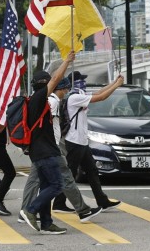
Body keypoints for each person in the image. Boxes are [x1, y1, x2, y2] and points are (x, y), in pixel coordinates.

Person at [29, 76, 102, 223]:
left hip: (43, 148)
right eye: (66, 88)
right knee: (61, 182)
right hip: (51, 148)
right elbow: (52, 127)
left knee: (40, 182)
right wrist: (67, 61)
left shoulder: (39, 101)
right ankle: (31, 210)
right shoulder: (52, 101)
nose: (67, 91)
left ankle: (44, 220)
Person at [18, 52, 75, 235]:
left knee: (45, 186)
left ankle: (47, 223)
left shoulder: (34, 101)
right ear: (44, 84)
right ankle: (30, 209)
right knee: (57, 185)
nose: (54, 83)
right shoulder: (39, 98)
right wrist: (66, 61)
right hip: (46, 152)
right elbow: (57, 77)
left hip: (39, 151)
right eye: (49, 82)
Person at [64, 72, 124, 212]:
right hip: (75, 141)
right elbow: (101, 97)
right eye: (81, 80)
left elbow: (99, 92)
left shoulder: (80, 95)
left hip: (82, 141)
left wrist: (115, 83)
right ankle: (59, 202)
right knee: (70, 174)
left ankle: (102, 200)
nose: (84, 83)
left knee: (92, 171)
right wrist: (117, 86)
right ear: (75, 83)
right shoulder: (75, 97)